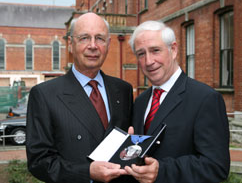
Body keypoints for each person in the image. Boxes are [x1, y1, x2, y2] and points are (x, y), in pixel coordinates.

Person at [26, 12, 134, 183]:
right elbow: (39, 162)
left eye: (99, 38)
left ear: (108, 44)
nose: (93, 46)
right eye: (84, 38)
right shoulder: (44, 95)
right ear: (70, 44)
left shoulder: (123, 90)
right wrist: (87, 172)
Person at [125, 20, 230, 183]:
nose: (148, 61)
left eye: (155, 50)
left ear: (173, 50)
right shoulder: (140, 102)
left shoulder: (205, 98)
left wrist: (161, 171)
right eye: (141, 54)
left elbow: (216, 166)